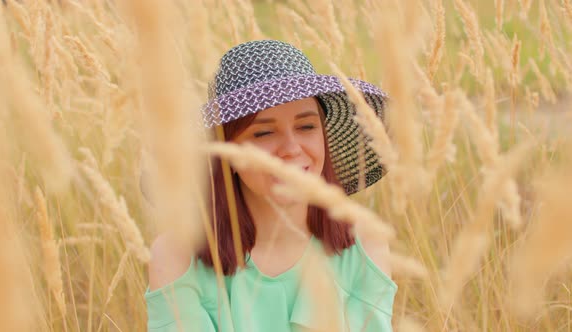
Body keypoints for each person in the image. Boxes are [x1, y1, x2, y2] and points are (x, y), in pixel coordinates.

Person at [144, 40, 397, 331]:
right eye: (264, 132)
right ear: (227, 152)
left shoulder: (364, 244)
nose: (291, 149)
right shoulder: (177, 255)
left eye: (306, 127)